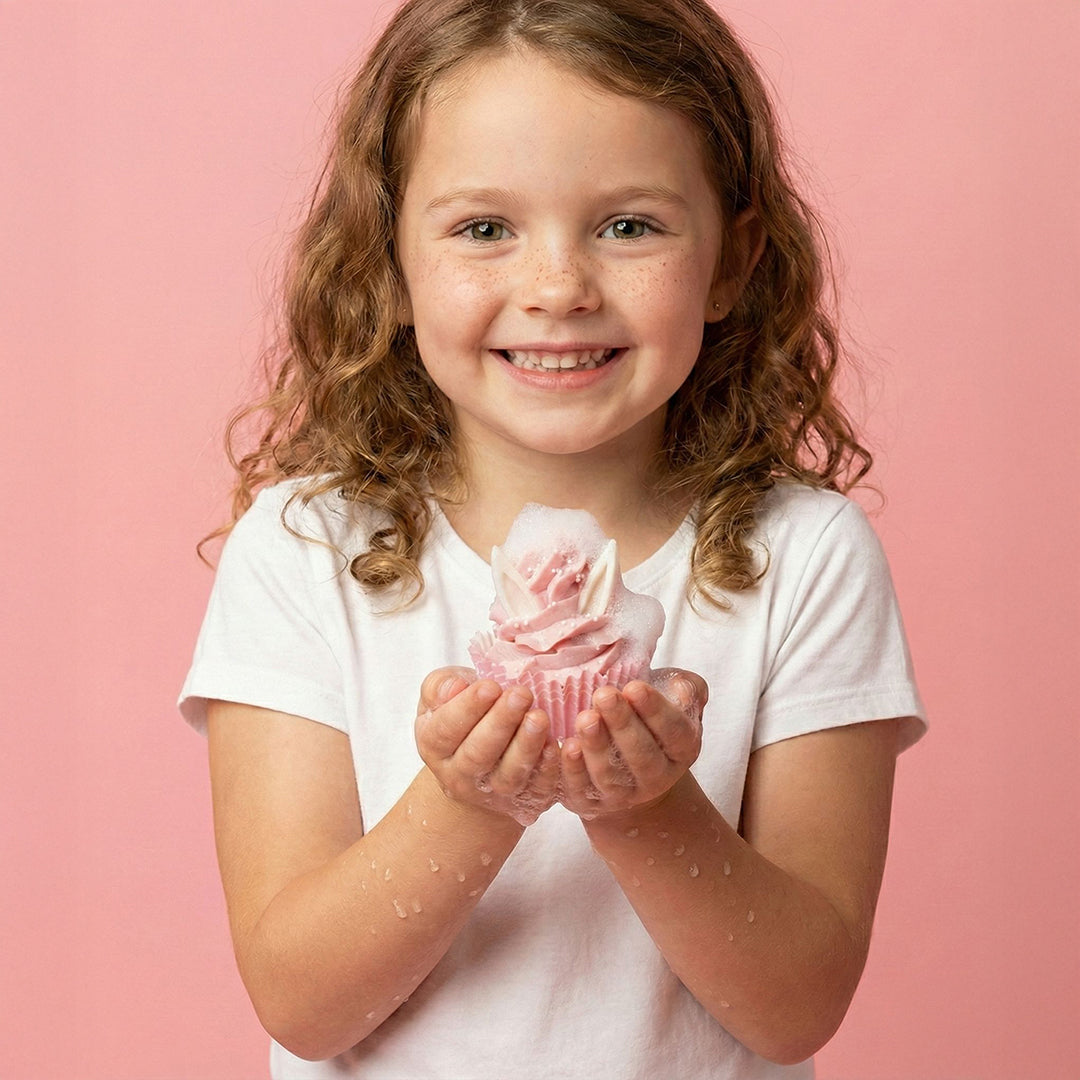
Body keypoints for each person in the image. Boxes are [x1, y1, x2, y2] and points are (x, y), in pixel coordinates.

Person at [180, 0, 926, 1076]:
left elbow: (797, 1007)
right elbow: (302, 1001)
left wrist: (647, 810)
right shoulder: (303, 551)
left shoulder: (805, 557)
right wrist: (471, 804)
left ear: (732, 261)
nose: (558, 289)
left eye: (630, 226)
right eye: (485, 229)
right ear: (388, 263)